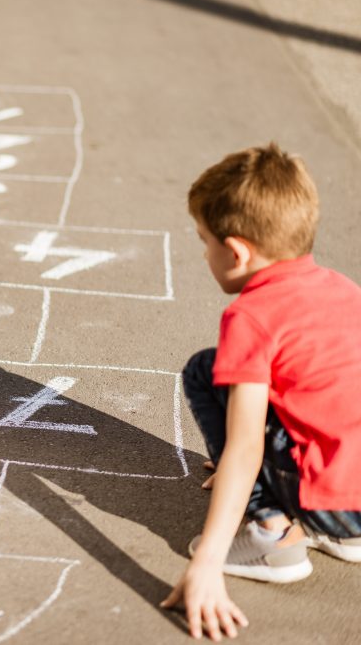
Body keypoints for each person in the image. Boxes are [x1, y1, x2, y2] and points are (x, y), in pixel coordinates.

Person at [161, 144, 361, 639]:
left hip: (333, 501)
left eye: (204, 241)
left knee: (204, 372)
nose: (205, 253)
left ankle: (274, 532)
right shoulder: (343, 288)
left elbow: (248, 445)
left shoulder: (250, 316)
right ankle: (344, 531)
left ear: (236, 251)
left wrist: (207, 560)